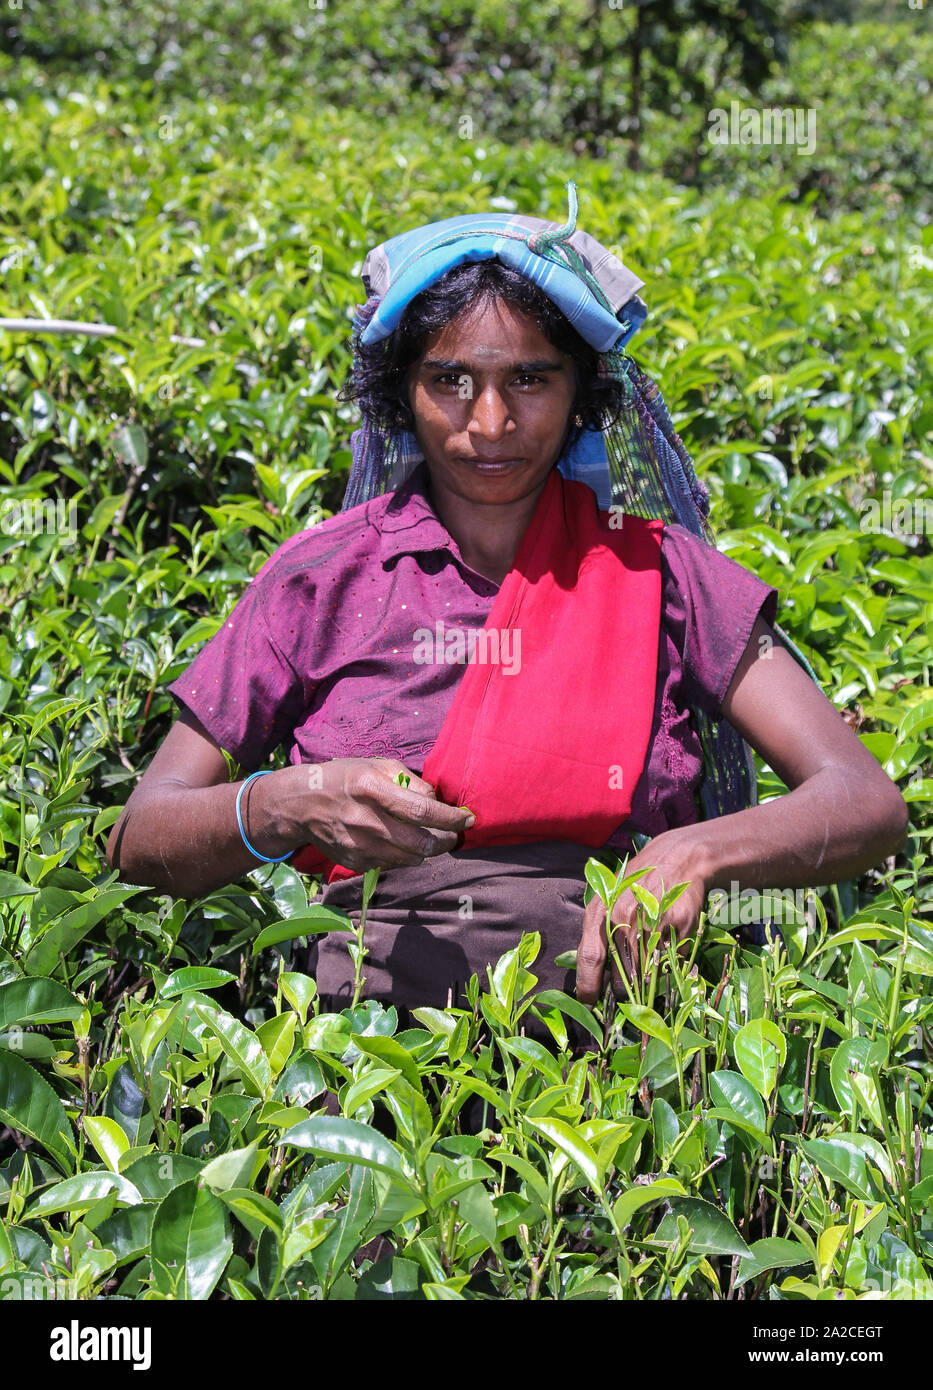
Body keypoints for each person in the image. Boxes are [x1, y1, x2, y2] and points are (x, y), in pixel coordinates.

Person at [107, 184, 908, 1015]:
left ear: (580, 394)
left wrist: (692, 853)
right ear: (401, 393)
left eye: (529, 378)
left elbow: (862, 803)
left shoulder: (663, 575)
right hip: (361, 1062)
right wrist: (285, 802)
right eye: (449, 379)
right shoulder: (321, 578)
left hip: (623, 1060)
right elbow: (139, 838)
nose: (489, 422)